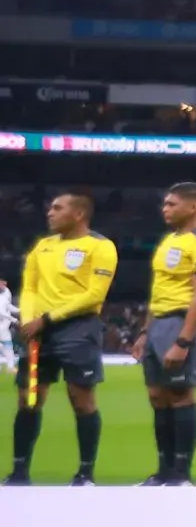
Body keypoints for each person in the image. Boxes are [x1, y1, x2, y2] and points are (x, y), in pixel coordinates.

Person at [9, 191, 118, 485]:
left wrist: (46, 319)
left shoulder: (100, 246)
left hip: (78, 329)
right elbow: (29, 287)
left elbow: (94, 294)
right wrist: (29, 319)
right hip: (38, 331)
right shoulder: (42, 247)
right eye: (50, 208)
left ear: (79, 214)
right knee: (28, 399)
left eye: (57, 208)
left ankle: (85, 472)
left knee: (81, 400)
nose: (50, 213)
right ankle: (19, 471)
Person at [135, 181, 196, 485]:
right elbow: (159, 289)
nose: (165, 209)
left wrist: (184, 340)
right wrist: (145, 331)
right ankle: (164, 471)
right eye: (165, 204)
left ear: (194, 206)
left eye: (172, 204)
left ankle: (182, 474)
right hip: (158, 322)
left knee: (181, 395)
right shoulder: (170, 240)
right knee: (158, 396)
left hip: (183, 322)